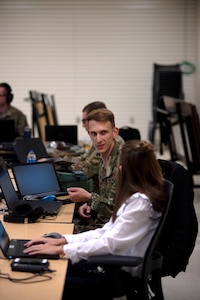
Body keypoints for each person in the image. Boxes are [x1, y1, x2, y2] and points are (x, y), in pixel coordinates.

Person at [23, 140, 166, 299]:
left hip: (113, 273)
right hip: (107, 264)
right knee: (45, 265)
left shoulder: (141, 203)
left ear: (124, 170)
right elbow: (105, 232)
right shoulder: (137, 197)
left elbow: (110, 243)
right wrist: (63, 241)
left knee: (46, 279)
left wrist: (62, 250)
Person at [68, 108, 124, 233]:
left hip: (115, 230)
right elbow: (106, 196)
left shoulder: (122, 162)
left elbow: (117, 209)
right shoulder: (105, 154)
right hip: (104, 223)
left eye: (103, 132)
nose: (98, 140)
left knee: (60, 235)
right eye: (94, 134)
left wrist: (88, 196)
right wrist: (89, 203)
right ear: (89, 133)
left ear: (115, 132)